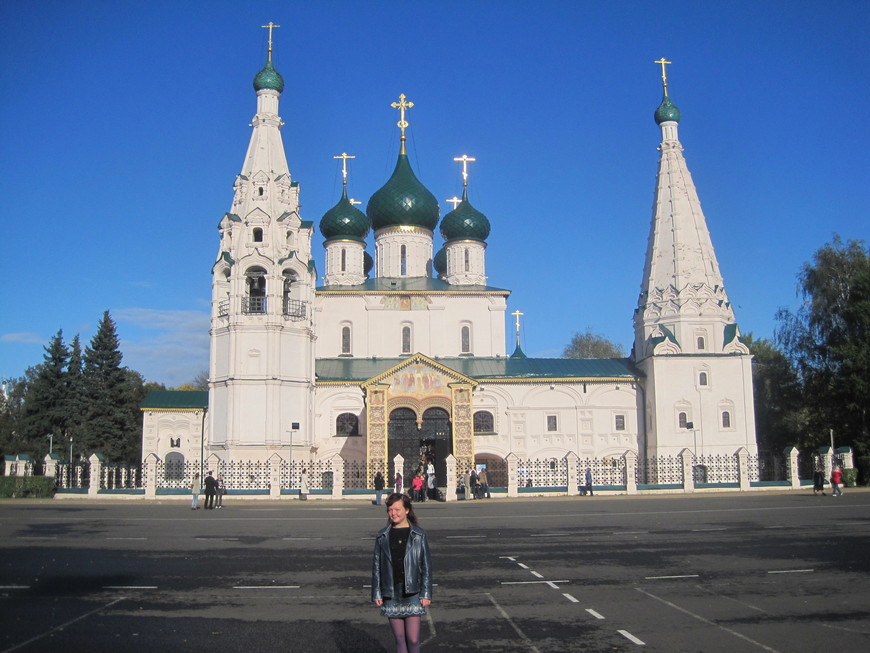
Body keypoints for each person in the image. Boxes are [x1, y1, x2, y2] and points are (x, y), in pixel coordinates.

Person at [372, 493, 433, 653]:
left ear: (407, 510)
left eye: (397, 509)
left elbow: (426, 565)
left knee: (413, 639)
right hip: (391, 592)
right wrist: (377, 593)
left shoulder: (418, 534)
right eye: (390, 510)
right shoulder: (382, 535)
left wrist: (426, 593)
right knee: (399, 639)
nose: (394, 513)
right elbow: (377, 565)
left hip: (412, 591)